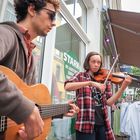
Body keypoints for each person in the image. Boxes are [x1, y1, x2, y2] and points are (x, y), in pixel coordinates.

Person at [0, 0, 79, 140]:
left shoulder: (31, 56)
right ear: (31, 9)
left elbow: (29, 106)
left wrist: (60, 110)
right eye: (51, 15)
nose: (54, 23)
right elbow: (26, 107)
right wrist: (25, 108)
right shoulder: (6, 33)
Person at [64, 51, 132, 140]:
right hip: (85, 125)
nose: (96, 64)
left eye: (98, 62)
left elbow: (109, 102)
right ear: (88, 62)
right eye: (93, 61)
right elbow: (67, 86)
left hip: (102, 125)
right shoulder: (80, 76)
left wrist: (122, 88)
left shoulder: (104, 80)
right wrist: (91, 83)